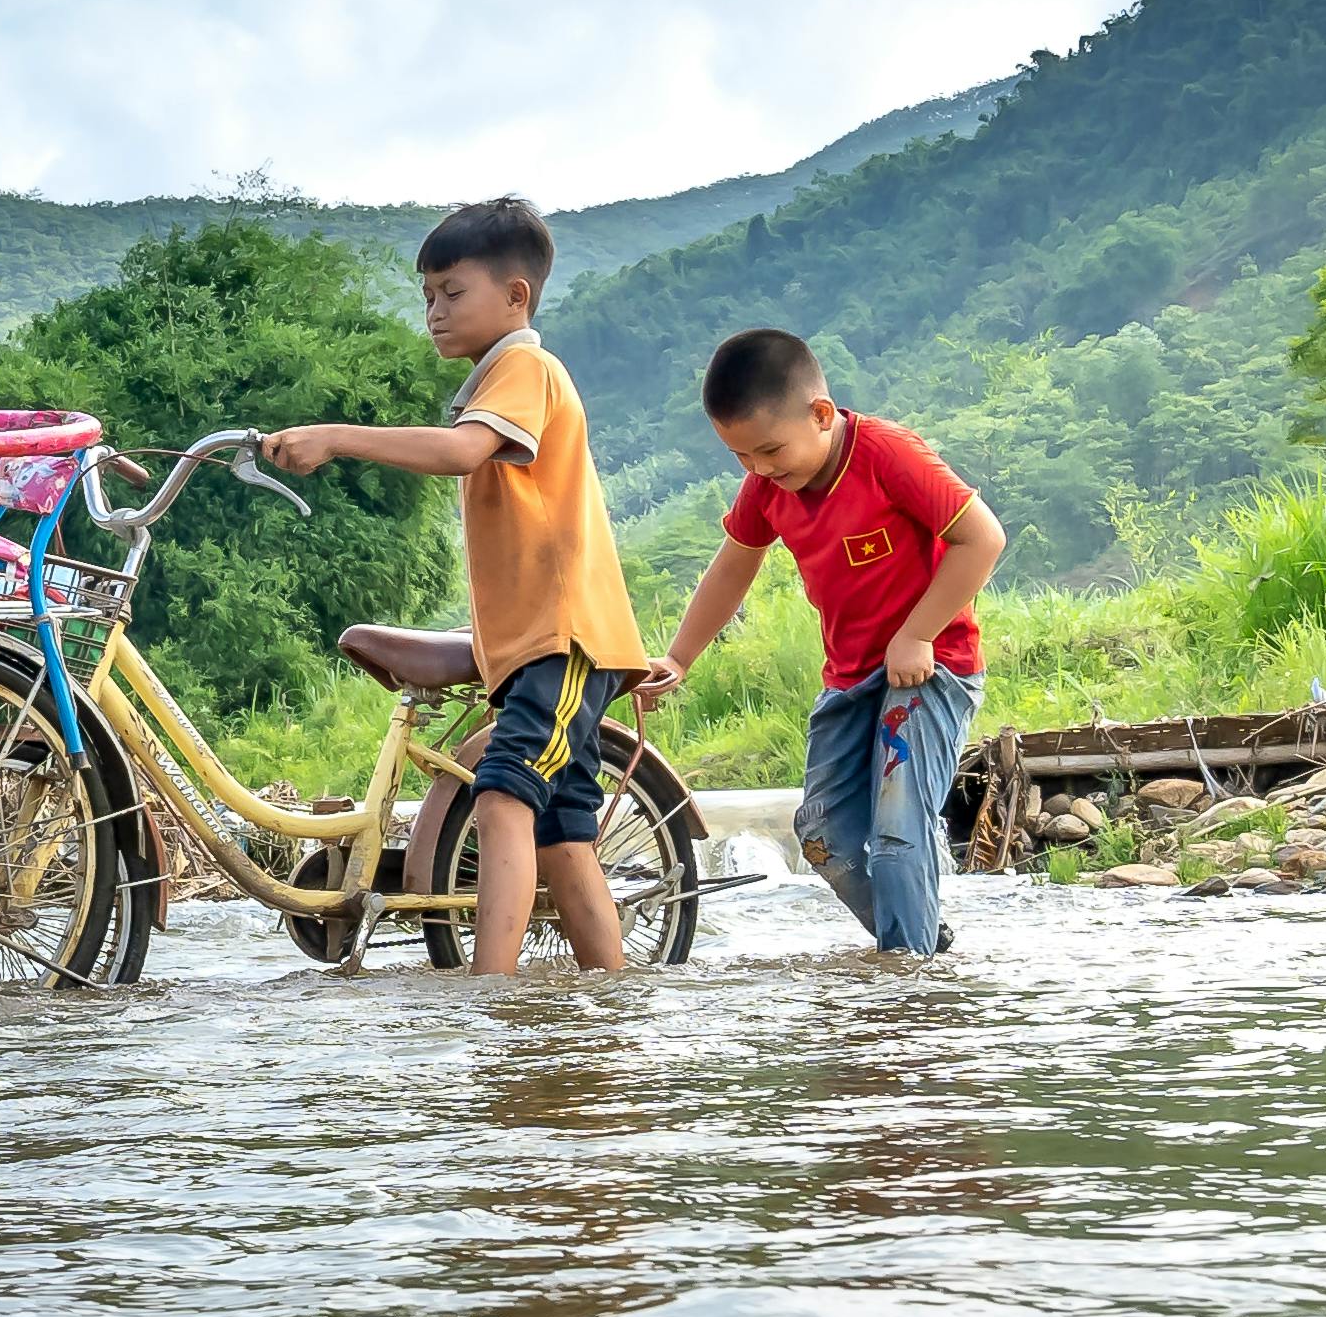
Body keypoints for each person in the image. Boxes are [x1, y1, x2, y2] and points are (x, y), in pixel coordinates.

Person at [267, 196, 650, 984]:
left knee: (506, 799)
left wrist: (336, 436)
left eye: (453, 291)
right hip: (542, 642)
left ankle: (492, 995)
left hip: (563, 635)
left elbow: (463, 450)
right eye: (427, 297)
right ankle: (612, 996)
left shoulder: (525, 368)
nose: (435, 312)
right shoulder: (499, 376)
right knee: (564, 835)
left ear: (517, 295)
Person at [641, 328, 1004, 957]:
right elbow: (734, 566)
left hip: (930, 668)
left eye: (770, 451)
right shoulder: (768, 486)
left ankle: (909, 988)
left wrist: (917, 634)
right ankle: (921, 949)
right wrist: (679, 656)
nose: (759, 470)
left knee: (898, 836)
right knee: (821, 837)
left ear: (821, 415)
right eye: (742, 457)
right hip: (850, 677)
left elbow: (983, 538)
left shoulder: (888, 455)